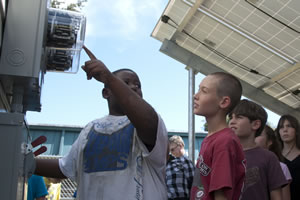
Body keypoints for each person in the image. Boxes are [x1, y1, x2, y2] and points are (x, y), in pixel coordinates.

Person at [34, 46, 169, 199]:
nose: (133, 86)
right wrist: (24, 161)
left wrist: (109, 78)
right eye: (126, 82)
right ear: (106, 93)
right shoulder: (90, 129)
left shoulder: (147, 122)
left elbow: (149, 122)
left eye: (138, 85)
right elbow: (65, 167)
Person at [190, 72, 246, 200]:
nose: (195, 95)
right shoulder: (210, 139)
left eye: (204, 91)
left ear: (224, 102)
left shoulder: (224, 142)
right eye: (198, 89)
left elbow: (221, 196)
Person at [229, 99, 288, 200]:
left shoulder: (269, 158)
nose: (232, 121)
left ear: (255, 124)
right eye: (231, 117)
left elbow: (277, 196)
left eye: (239, 117)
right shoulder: (222, 154)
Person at [255, 125, 292, 200]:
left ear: (269, 142)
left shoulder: (281, 167)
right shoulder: (242, 162)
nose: (253, 137)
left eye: (258, 134)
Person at [276, 115, 300, 200]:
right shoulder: (273, 157)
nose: (285, 130)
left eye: (289, 126)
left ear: (296, 130)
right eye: (281, 127)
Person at [166, 135, 195, 200]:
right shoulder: (169, 162)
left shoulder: (187, 162)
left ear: (180, 146)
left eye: (172, 149)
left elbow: (193, 185)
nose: (171, 152)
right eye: (170, 151)